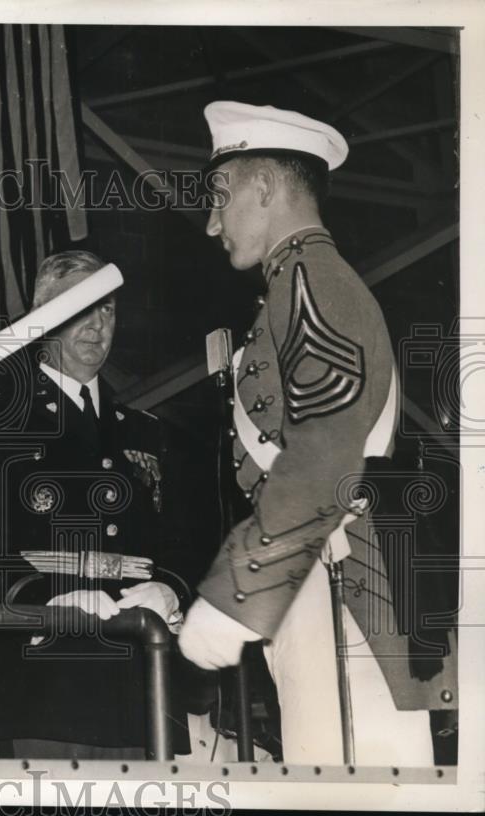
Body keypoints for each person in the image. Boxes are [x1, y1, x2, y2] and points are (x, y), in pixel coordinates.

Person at [177, 100, 458, 765]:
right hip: (316, 582)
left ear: (266, 186)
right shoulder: (295, 285)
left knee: (346, 778)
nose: (212, 221)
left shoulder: (310, 282)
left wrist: (234, 597)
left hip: (340, 587)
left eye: (221, 196)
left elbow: (325, 451)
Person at [0, 250, 198, 759]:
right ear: (40, 319)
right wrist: (48, 598)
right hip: (41, 684)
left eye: (107, 308)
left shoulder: (145, 432)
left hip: (140, 687)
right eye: (80, 306)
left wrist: (171, 590)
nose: (96, 323)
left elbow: (183, 539)